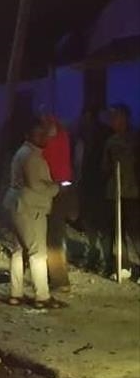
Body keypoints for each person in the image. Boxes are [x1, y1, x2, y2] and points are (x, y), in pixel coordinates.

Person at [3, 121, 64, 308]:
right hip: (31, 207)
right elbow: (37, 185)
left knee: (18, 250)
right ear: (29, 135)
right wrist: (57, 187)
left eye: (44, 134)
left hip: (15, 204)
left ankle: (15, 294)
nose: (43, 137)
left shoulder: (21, 152)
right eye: (39, 134)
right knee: (37, 252)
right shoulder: (33, 156)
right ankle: (42, 296)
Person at [39, 107, 78, 293]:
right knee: (57, 234)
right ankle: (55, 274)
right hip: (63, 188)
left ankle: (59, 280)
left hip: (53, 190)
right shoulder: (64, 135)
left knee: (52, 237)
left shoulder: (48, 140)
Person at [101, 104, 140, 280]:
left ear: (125, 118)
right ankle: (123, 265)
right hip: (115, 193)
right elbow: (105, 166)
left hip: (133, 192)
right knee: (118, 231)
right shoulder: (110, 141)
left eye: (116, 117)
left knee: (135, 233)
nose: (113, 121)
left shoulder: (135, 139)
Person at [75, 107, 109, 271]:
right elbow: (78, 161)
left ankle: (104, 257)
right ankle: (93, 253)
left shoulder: (103, 136)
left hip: (99, 184)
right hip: (86, 183)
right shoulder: (81, 136)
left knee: (101, 222)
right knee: (88, 220)